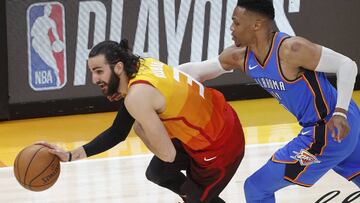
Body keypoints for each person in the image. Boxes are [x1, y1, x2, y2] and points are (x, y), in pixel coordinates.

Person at [178, 0, 360, 202]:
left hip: (329, 127)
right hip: (346, 121)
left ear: (256, 25)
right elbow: (196, 71)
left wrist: (340, 113)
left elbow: (347, 65)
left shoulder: (291, 50)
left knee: (256, 188)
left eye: (236, 23)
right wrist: (157, 74)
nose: (231, 28)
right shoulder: (240, 57)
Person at [37, 39, 245, 203]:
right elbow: (117, 132)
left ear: (118, 67)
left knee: (188, 190)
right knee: (158, 172)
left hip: (220, 146)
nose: (94, 79)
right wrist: (70, 155)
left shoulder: (137, 96)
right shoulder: (142, 66)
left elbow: (169, 155)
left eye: (99, 71)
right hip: (218, 120)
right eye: (92, 72)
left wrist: (141, 131)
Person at [31, 3, 64, 86]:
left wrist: (58, 42)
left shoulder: (51, 21)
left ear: (50, 11)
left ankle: (57, 79)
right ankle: (56, 77)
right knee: (48, 61)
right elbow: (32, 33)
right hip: (38, 41)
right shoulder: (39, 20)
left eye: (49, 10)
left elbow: (55, 34)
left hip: (45, 41)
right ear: (44, 10)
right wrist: (39, 32)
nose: (48, 11)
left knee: (52, 61)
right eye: (47, 9)